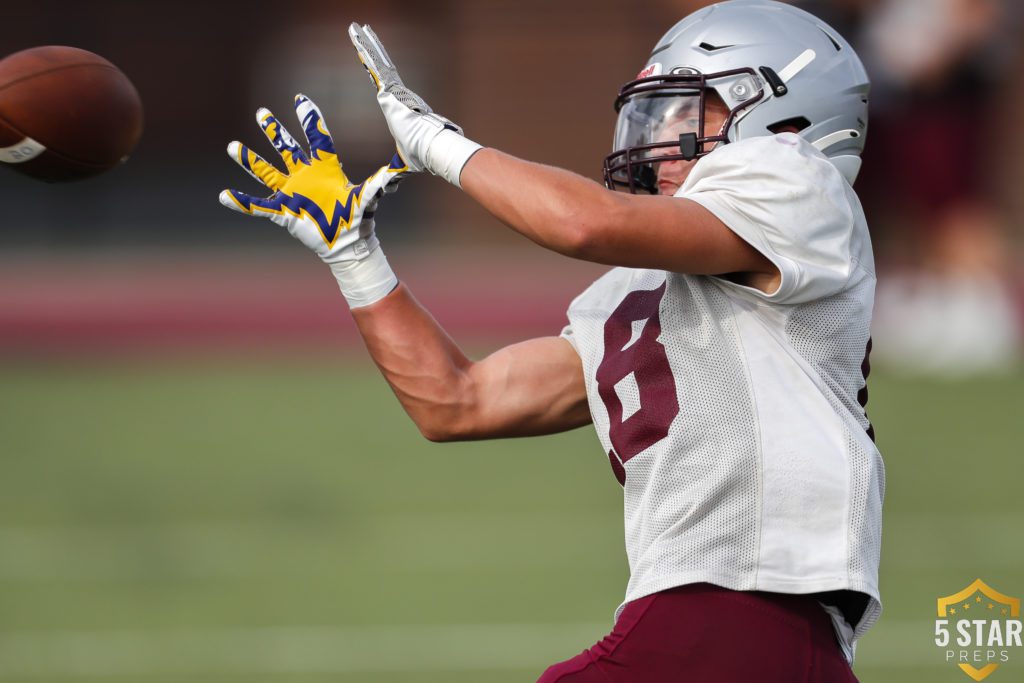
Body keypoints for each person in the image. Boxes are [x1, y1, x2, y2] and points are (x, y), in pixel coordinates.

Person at [219, 1, 883, 680]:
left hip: (743, 612)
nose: (662, 131)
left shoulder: (800, 183)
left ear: (786, 114)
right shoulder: (640, 287)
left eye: (692, 108)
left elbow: (581, 225)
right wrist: (356, 257)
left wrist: (438, 144)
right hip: (716, 630)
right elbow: (457, 401)